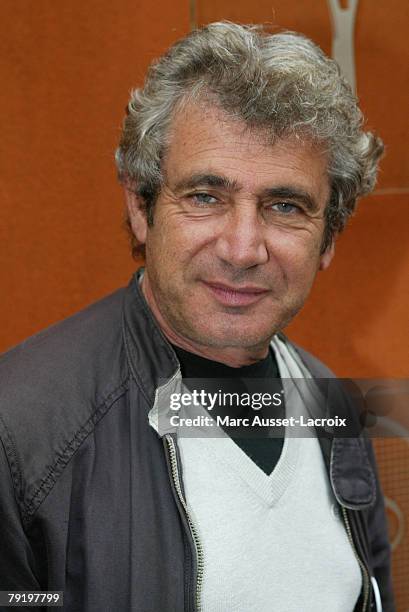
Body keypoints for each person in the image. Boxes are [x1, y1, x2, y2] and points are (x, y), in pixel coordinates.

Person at [0, 21, 394, 612]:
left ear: (329, 237)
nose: (242, 249)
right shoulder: (21, 427)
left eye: (284, 206)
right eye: (206, 197)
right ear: (141, 207)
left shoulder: (333, 407)